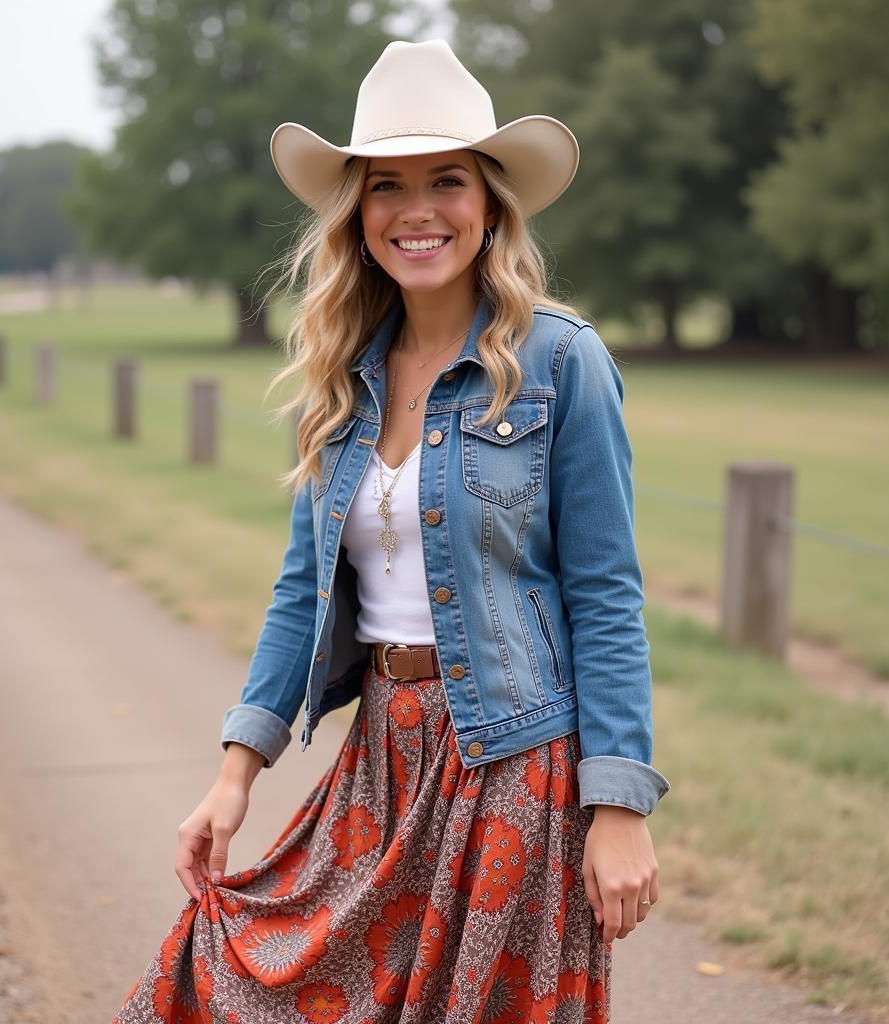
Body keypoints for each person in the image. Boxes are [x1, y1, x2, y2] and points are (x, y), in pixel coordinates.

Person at [112, 37, 670, 1024]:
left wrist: (617, 804)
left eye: (446, 180)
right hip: (382, 751)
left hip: (515, 769)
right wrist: (233, 777)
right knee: (238, 969)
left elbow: (607, 593)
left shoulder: (560, 361)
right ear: (356, 214)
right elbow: (300, 592)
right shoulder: (343, 380)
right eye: (386, 186)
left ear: (490, 203)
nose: (417, 211)